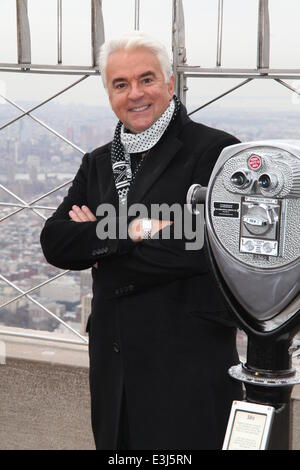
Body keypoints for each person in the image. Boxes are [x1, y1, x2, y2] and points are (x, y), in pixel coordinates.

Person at [40, 32, 243, 450]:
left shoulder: (215, 152)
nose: (135, 94)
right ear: (109, 93)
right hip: (113, 369)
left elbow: (204, 246)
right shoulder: (97, 163)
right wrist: (134, 229)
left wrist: (100, 240)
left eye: (146, 79)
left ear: (170, 83)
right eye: (120, 84)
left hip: (186, 364)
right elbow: (55, 242)